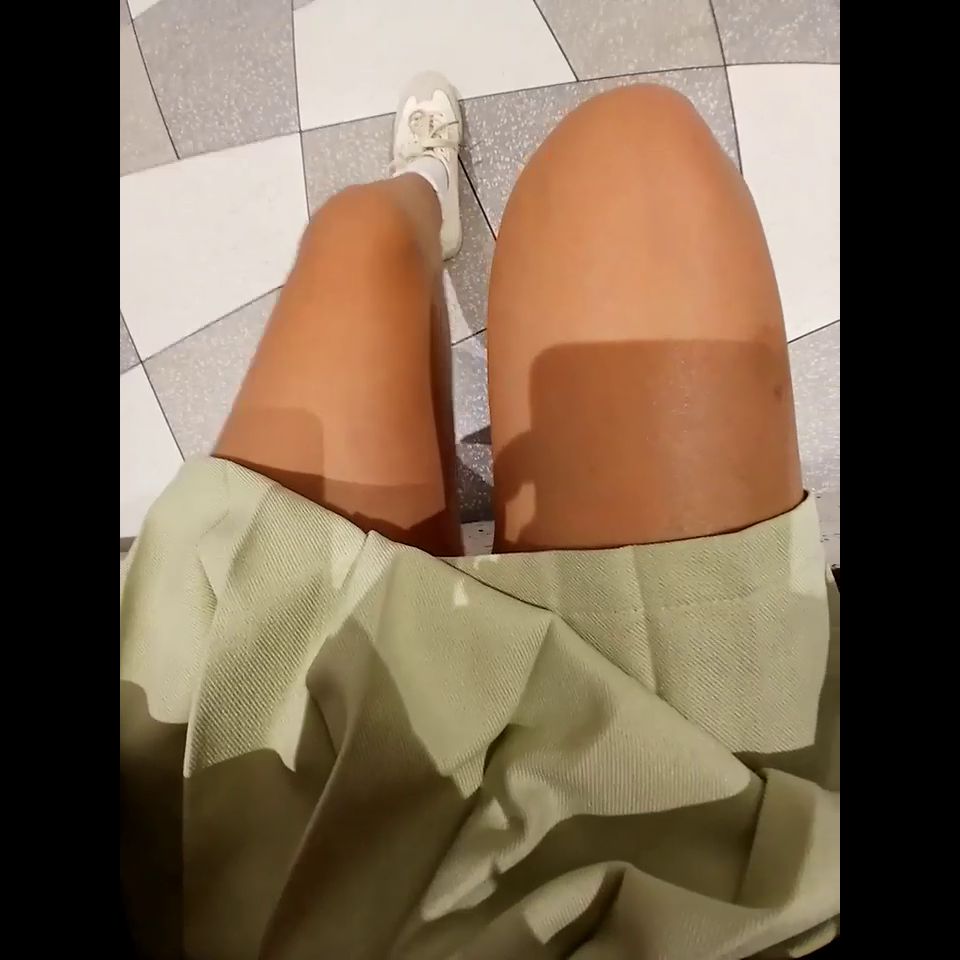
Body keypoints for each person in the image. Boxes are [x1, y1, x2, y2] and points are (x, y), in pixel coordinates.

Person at [120, 73, 839, 959]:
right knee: (638, 158)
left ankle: (424, 192)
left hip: (239, 845)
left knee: (359, 237)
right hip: (703, 837)